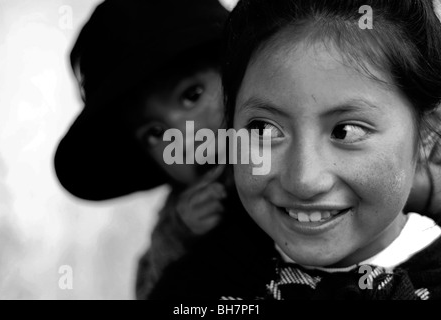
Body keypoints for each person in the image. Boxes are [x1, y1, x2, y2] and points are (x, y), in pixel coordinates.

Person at [148, 0, 441, 300]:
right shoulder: (193, 290)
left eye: (345, 131)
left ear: (426, 136)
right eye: (264, 129)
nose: (303, 181)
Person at [53, 0, 230, 299]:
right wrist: (180, 235)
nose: (184, 141)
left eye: (192, 95)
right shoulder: (175, 225)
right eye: (155, 133)